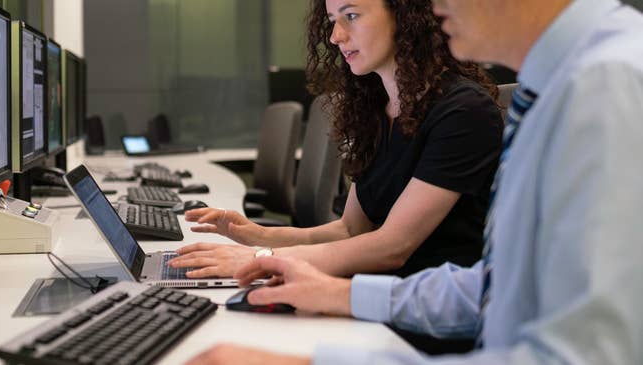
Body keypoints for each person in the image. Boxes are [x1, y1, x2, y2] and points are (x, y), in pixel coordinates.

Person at [185, 0, 643, 364]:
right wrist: (340, 291)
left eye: (351, 16)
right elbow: (494, 287)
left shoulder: (606, 85)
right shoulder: (554, 86)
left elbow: (582, 356)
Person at [170, 0, 502, 280]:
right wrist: (258, 235)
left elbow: (392, 247)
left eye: (351, 16)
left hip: (424, 315)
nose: (335, 36)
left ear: (405, 14)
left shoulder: (462, 111)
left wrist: (261, 258)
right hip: (369, 293)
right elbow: (350, 230)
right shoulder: (374, 110)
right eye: (332, 21)